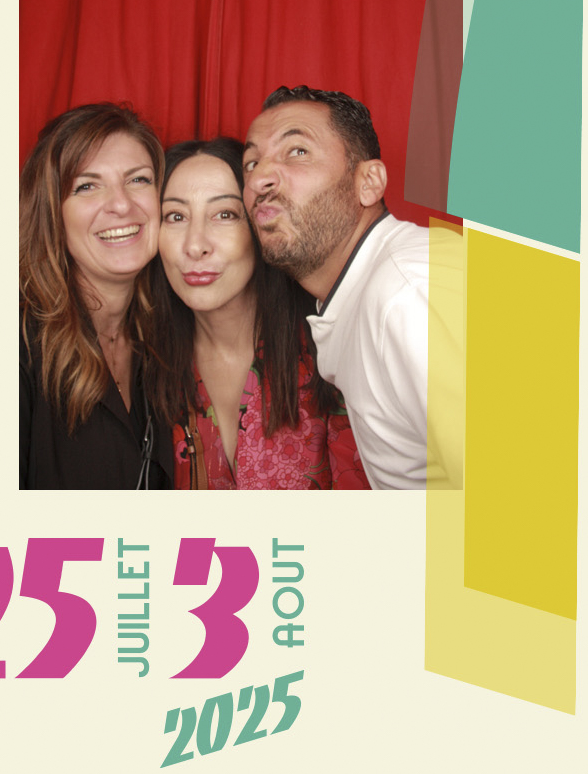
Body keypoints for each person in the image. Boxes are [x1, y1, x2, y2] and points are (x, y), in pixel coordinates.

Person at [241, 85, 437, 491]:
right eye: (251, 163)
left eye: (297, 151)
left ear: (369, 183)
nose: (259, 178)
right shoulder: (366, 293)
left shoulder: (410, 294)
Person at [146, 137, 368, 489]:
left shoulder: (331, 354)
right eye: (175, 216)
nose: (195, 245)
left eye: (225, 215)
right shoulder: (145, 367)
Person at [19, 103, 171, 489]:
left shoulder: (169, 336)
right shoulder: (14, 344)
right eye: (87, 186)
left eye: (138, 180)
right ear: (52, 212)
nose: (121, 204)